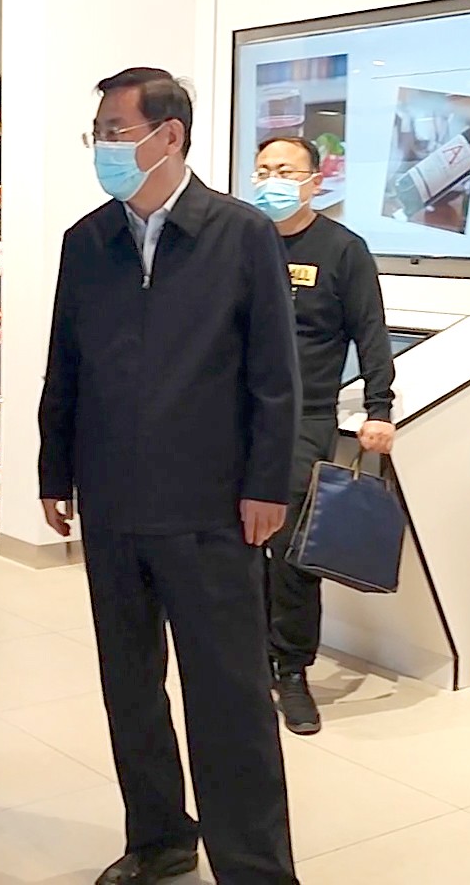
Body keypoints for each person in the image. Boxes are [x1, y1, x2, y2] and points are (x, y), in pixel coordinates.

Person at [40, 67, 301, 885]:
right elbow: (65, 364)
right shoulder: (87, 242)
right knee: (130, 688)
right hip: (113, 504)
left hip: (212, 508)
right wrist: (53, 470)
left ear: (170, 136)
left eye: (116, 131)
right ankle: (158, 840)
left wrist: (267, 484)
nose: (104, 148)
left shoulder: (240, 234)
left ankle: (254, 866)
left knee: (229, 699)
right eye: (100, 134)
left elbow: (275, 375)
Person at [247, 135, 396, 736]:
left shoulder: (342, 249)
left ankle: (291, 670)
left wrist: (379, 408)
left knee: (290, 551)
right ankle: (248, 659)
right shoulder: (240, 242)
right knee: (234, 546)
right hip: (234, 417)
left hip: (304, 418)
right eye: (263, 170)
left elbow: (371, 331)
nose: (272, 181)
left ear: (315, 181)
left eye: (286, 171)